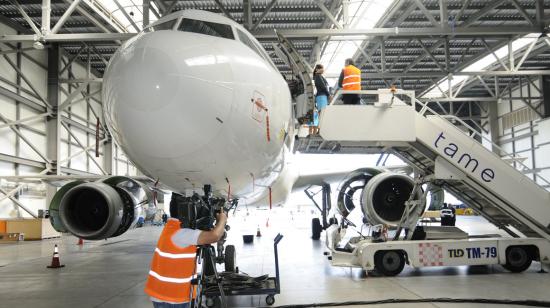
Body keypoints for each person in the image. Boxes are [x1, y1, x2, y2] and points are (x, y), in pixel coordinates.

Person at [144, 199, 228, 308]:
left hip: (165, 293)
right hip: (172, 298)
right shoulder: (181, 233)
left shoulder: (172, 227)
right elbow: (215, 236)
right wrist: (222, 220)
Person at [312, 64, 330, 134]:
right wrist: (329, 95)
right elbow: (323, 87)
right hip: (322, 96)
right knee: (322, 114)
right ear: (317, 69)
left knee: (321, 113)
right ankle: (320, 130)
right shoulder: (318, 76)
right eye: (322, 68)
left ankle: (320, 129)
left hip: (321, 97)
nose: (323, 70)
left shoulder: (318, 76)